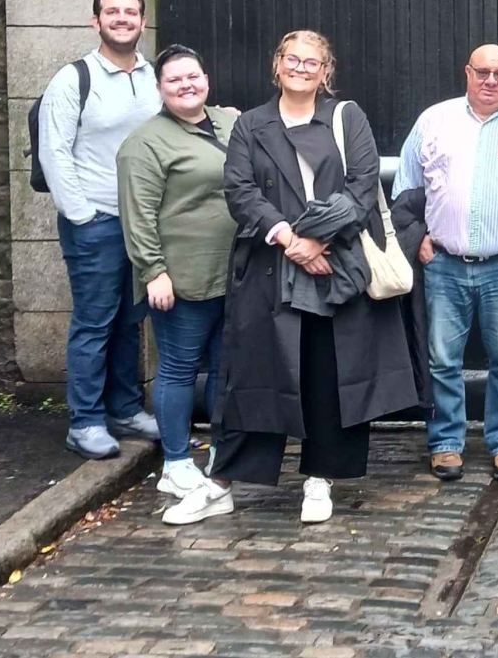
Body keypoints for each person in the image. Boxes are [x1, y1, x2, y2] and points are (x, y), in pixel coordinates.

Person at [162, 31, 419, 525]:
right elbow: (240, 190)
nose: (301, 68)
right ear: (277, 64)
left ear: (326, 71)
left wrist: (317, 241)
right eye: (292, 59)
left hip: (335, 264)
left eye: (312, 61)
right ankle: (222, 482)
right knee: (253, 378)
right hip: (269, 267)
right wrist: (288, 238)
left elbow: (361, 187)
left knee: (327, 374)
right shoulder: (250, 125)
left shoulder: (347, 117)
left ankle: (320, 479)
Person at [393, 44, 498, 482]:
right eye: (482, 72)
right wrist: (416, 238)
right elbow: (405, 188)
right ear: (467, 72)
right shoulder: (434, 121)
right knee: (442, 358)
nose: (490, 81)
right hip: (442, 263)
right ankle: (445, 443)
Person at [39, 0, 162, 459]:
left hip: (142, 223)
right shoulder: (74, 79)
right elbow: (54, 152)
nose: (122, 18)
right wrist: (83, 216)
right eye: (112, 11)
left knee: (130, 322)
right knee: (94, 323)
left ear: (142, 22)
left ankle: (124, 409)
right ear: (96, 22)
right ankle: (85, 421)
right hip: (96, 222)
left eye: (131, 11)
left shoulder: (153, 77)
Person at [115, 46, 238, 497]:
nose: (186, 85)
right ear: (159, 88)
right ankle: (176, 462)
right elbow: (137, 215)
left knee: (226, 369)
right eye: (174, 80)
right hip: (181, 279)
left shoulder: (230, 123)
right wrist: (153, 272)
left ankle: (222, 452)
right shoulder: (144, 144)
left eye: (193, 76)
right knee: (179, 369)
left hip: (234, 273)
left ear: (206, 79)